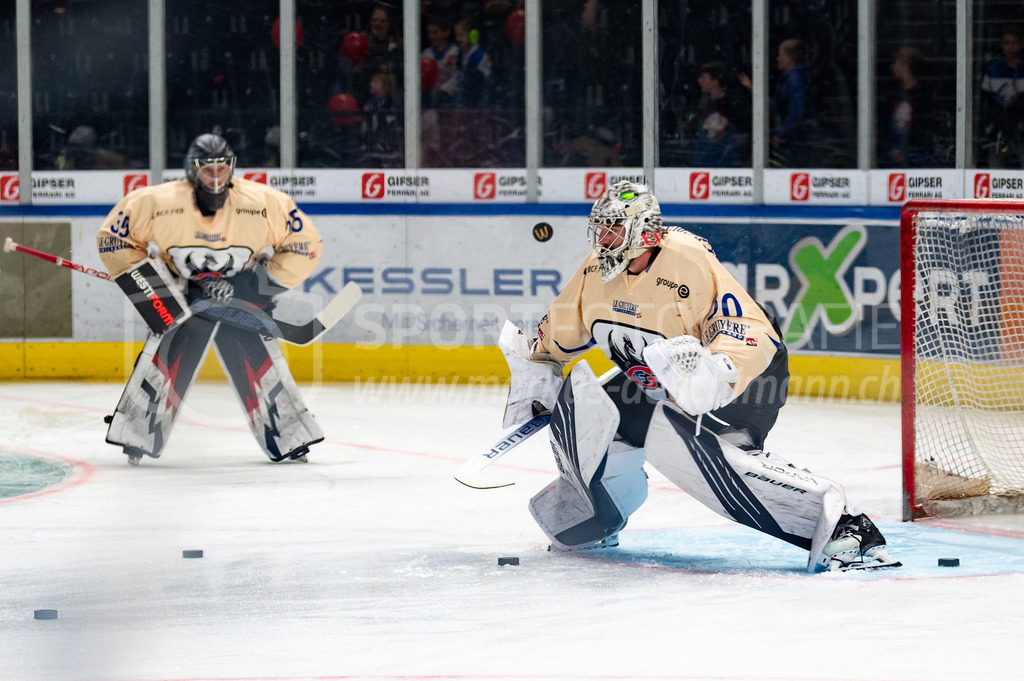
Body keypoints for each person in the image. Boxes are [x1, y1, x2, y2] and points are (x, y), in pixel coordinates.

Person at [498, 180, 900, 572]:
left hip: (742, 374)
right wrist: (538, 377)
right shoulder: (595, 272)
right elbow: (557, 336)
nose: (603, 238)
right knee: (591, 416)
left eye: (614, 229)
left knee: (701, 450)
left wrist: (719, 371)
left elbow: (747, 326)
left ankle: (845, 530)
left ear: (644, 232)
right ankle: (597, 516)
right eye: (600, 229)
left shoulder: (686, 259)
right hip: (655, 382)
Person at [96, 133, 325, 465]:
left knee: (249, 345)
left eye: (222, 168)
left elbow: (305, 246)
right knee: (174, 341)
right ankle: (138, 432)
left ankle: (288, 436)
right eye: (207, 169)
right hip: (184, 293)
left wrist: (263, 286)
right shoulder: (155, 203)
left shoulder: (263, 203)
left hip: (239, 293)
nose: (216, 177)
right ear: (192, 170)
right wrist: (158, 291)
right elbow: (114, 241)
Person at [882, 47, 935, 168]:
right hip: (893, 154)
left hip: (916, 154)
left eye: (895, 63)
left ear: (905, 66)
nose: (892, 67)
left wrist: (905, 150)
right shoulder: (892, 94)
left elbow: (923, 125)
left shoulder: (923, 95)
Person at [690, 61, 750, 168]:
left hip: (725, 162)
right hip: (703, 161)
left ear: (715, 82)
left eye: (703, 78)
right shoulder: (702, 102)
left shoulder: (733, 103)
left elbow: (739, 133)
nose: (699, 80)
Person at [980, 25, 1024, 168]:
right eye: (1006, 43)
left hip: (1020, 131)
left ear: (1021, 45)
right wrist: (990, 124)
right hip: (1000, 132)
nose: (1010, 47)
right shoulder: (993, 71)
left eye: (1014, 43)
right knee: (996, 163)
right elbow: (986, 101)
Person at [770, 38, 811, 167]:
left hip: (795, 141)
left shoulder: (794, 80)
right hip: (795, 138)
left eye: (780, 55)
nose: (777, 58)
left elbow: (796, 112)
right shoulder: (790, 79)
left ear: (790, 57)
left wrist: (781, 134)